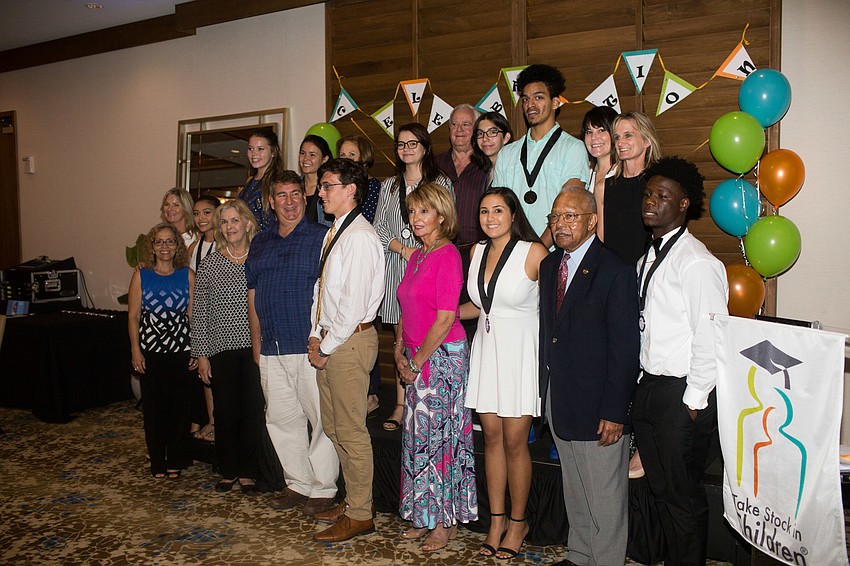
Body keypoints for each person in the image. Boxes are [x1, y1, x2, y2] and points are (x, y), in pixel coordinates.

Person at [631, 156, 728, 566]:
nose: (651, 201)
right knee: (663, 493)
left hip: (683, 394)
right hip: (651, 388)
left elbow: (711, 336)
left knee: (683, 499)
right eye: (649, 193)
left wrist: (693, 401)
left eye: (663, 196)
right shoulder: (649, 257)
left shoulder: (698, 263)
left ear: (684, 204)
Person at [539, 186, 640, 566]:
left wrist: (616, 411)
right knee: (575, 489)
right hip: (560, 400)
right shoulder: (551, 266)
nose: (561, 224)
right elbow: (550, 335)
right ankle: (580, 555)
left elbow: (625, 348)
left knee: (605, 498)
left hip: (601, 408)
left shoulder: (614, 269)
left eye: (570, 216)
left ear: (592, 220)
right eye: (555, 218)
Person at [246, 170, 339, 515]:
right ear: (271, 202)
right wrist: (256, 343)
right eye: (281, 195)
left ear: (305, 197)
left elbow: (333, 291)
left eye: (295, 194)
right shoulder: (261, 241)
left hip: (309, 347)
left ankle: (323, 487)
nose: (289, 202)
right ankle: (297, 483)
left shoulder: (322, 237)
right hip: (270, 346)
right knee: (281, 421)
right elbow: (253, 295)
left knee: (320, 421)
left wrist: (327, 341)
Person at [462, 186, 547, 559]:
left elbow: (558, 307)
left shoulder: (534, 252)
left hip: (520, 355)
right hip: (487, 351)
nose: (490, 218)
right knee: (491, 440)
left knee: (515, 443)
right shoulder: (477, 251)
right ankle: (495, 522)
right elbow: (481, 305)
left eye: (498, 210)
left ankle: (518, 522)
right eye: (484, 211)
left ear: (513, 214)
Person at [394, 182, 478, 551]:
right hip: (415, 355)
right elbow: (404, 308)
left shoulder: (447, 255)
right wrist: (399, 349)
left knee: (443, 440)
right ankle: (423, 513)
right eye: (412, 212)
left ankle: (444, 522)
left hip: (442, 357)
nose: (416, 218)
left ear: (442, 216)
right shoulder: (416, 256)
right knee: (419, 439)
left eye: (424, 211)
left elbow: (445, 319)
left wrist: (414, 360)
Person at [308, 158, 385, 542]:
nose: (320, 193)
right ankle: (352, 499)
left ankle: (360, 513)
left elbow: (353, 306)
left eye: (327, 186)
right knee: (334, 425)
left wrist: (327, 345)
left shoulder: (359, 237)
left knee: (352, 431)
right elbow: (324, 290)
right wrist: (313, 333)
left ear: (350, 190)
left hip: (349, 340)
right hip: (332, 337)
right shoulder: (338, 229)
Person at [373, 122, 453, 432]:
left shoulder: (441, 182)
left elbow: (448, 224)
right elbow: (379, 229)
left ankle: (428, 401)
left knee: (431, 334)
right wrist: (405, 250)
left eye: (412, 143)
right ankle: (400, 404)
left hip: (431, 266)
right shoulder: (389, 186)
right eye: (401, 144)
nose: (406, 149)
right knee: (401, 340)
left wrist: (421, 253)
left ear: (425, 147)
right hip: (398, 268)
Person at [190, 199, 268, 494]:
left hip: (255, 349)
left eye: (234, 221)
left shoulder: (259, 258)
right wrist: (201, 355)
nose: (229, 227)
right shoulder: (210, 263)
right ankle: (228, 469)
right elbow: (200, 312)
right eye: (223, 222)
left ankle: (248, 471)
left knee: (252, 410)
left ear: (247, 223)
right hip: (219, 349)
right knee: (225, 412)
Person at [493, 64, 589, 247]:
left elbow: (568, 207)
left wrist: (537, 250)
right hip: (513, 250)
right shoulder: (507, 153)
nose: (530, 105)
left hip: (554, 253)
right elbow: (499, 206)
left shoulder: (573, 148)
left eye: (538, 97)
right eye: (526, 99)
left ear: (555, 102)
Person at [128, 222, 196, 479]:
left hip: (182, 351)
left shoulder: (187, 275)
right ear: (152, 247)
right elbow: (133, 316)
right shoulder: (141, 275)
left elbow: (193, 316)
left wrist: (197, 350)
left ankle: (176, 459)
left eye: (170, 241)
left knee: (179, 410)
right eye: (159, 242)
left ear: (177, 246)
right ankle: (157, 461)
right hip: (150, 352)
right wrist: (136, 350)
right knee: (154, 411)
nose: (165, 246)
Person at [604, 111, 661, 265]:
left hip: (648, 269)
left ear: (647, 140)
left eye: (628, 135)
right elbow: (601, 241)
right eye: (617, 137)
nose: (620, 142)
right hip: (613, 273)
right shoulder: (604, 187)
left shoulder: (658, 184)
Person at [186, 194, 221, 443]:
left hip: (221, 316)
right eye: (197, 213)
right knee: (204, 373)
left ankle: (222, 421)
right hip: (200, 315)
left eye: (207, 212)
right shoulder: (194, 247)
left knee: (220, 373)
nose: (201, 218)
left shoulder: (224, 244)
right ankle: (212, 420)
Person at [435, 104, 489, 246]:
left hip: (477, 247)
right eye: (454, 124)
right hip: (440, 247)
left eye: (466, 124)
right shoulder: (434, 164)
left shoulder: (487, 165)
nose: (459, 129)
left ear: (476, 130)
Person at [580, 106, 618, 240]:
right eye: (589, 132)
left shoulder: (623, 174)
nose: (594, 138)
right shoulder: (585, 174)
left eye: (601, 130)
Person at [237, 128, 283, 232]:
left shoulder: (278, 182)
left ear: (273, 152)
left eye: (260, 149)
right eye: (250, 149)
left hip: (268, 243)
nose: (254, 154)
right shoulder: (249, 181)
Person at [337, 134, 382, 223]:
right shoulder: (337, 184)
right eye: (342, 155)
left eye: (352, 154)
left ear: (364, 157)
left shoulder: (373, 186)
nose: (346, 159)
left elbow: (369, 220)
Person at [300, 135, 333, 227]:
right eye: (302, 153)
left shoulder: (330, 188)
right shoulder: (293, 185)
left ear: (324, 159)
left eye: (312, 155)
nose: (306, 159)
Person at [472, 111, 514, 183]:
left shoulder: (513, 169)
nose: (485, 138)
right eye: (480, 133)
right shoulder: (482, 172)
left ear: (506, 138)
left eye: (492, 132)